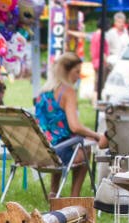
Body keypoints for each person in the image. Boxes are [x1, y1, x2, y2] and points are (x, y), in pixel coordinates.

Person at [34, 52, 102, 197]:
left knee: (62, 142)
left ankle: (53, 192)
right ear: (66, 70)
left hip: (40, 151)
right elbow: (75, 127)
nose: (78, 76)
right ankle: (74, 196)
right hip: (59, 153)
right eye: (77, 72)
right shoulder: (68, 91)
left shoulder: (43, 92)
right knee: (84, 149)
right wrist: (96, 135)